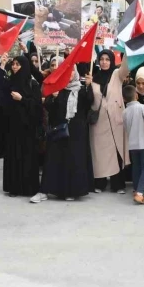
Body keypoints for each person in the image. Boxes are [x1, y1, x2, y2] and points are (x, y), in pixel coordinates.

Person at [34, 68, 94, 203]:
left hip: (77, 131)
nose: (70, 74)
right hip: (59, 129)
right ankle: (46, 190)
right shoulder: (58, 88)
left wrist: (89, 86)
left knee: (73, 161)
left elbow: (89, 103)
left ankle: (71, 191)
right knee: (54, 159)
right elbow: (49, 108)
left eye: (72, 71)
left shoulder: (81, 89)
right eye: (67, 71)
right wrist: (53, 98)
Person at [0, 55, 43, 197]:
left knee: (27, 156)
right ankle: (14, 187)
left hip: (28, 128)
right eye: (13, 64)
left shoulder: (33, 84)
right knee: (14, 156)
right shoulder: (10, 81)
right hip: (12, 127)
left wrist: (22, 99)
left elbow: (37, 106)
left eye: (18, 64)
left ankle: (28, 188)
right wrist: (2, 66)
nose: (15, 67)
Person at [90, 50, 130, 193]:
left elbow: (126, 68)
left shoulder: (117, 75)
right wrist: (88, 86)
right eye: (102, 59)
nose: (104, 62)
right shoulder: (93, 78)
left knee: (117, 151)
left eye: (107, 59)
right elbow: (90, 100)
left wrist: (126, 50)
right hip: (99, 122)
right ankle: (99, 183)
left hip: (115, 120)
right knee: (99, 153)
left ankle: (118, 185)